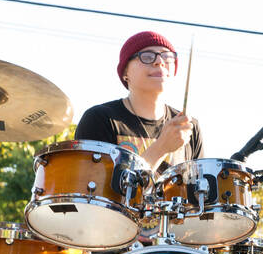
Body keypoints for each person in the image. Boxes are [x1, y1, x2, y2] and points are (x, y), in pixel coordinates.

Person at [75, 30, 202, 173]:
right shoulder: (100, 119)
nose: (159, 62)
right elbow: (94, 188)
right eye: (147, 56)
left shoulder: (189, 127)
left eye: (167, 57)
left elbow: (200, 192)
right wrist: (161, 147)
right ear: (125, 73)